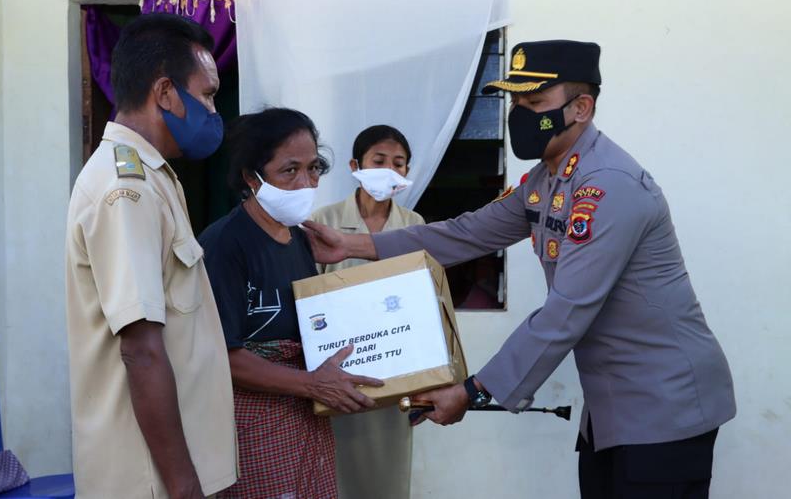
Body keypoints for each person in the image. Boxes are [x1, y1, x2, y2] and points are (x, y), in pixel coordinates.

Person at [303, 40, 737, 498]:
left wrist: (472, 390)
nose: (520, 116)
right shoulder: (548, 179)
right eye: (514, 103)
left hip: (663, 406)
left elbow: (567, 309)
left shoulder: (608, 186)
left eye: (535, 103)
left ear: (581, 107)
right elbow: (465, 233)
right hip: (613, 406)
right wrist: (352, 244)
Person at [65, 14, 237, 499]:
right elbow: (140, 348)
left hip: (171, 470)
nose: (211, 109)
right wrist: (183, 487)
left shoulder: (155, 176)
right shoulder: (128, 189)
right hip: (150, 480)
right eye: (205, 94)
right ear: (165, 92)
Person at [198, 108, 384, 499]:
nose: (306, 183)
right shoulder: (225, 246)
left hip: (306, 423)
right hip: (251, 428)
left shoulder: (301, 241)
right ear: (252, 177)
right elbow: (221, 354)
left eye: (313, 168)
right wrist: (311, 384)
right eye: (289, 170)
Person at [310, 124, 424, 499]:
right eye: (379, 161)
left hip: (396, 369)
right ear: (355, 165)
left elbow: (424, 300)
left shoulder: (414, 225)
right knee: (336, 472)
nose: (390, 169)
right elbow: (310, 297)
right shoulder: (323, 221)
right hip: (336, 370)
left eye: (399, 163)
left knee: (387, 477)